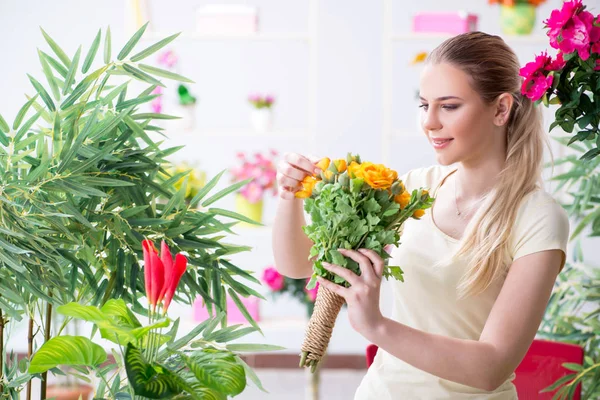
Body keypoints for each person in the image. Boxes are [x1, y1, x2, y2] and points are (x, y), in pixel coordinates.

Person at [271, 31, 569, 399]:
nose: (429, 122)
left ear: (501, 109)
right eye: (424, 105)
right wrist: (290, 195)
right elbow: (300, 265)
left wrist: (376, 326)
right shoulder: (414, 191)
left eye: (449, 106)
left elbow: (492, 366)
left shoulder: (538, 219)